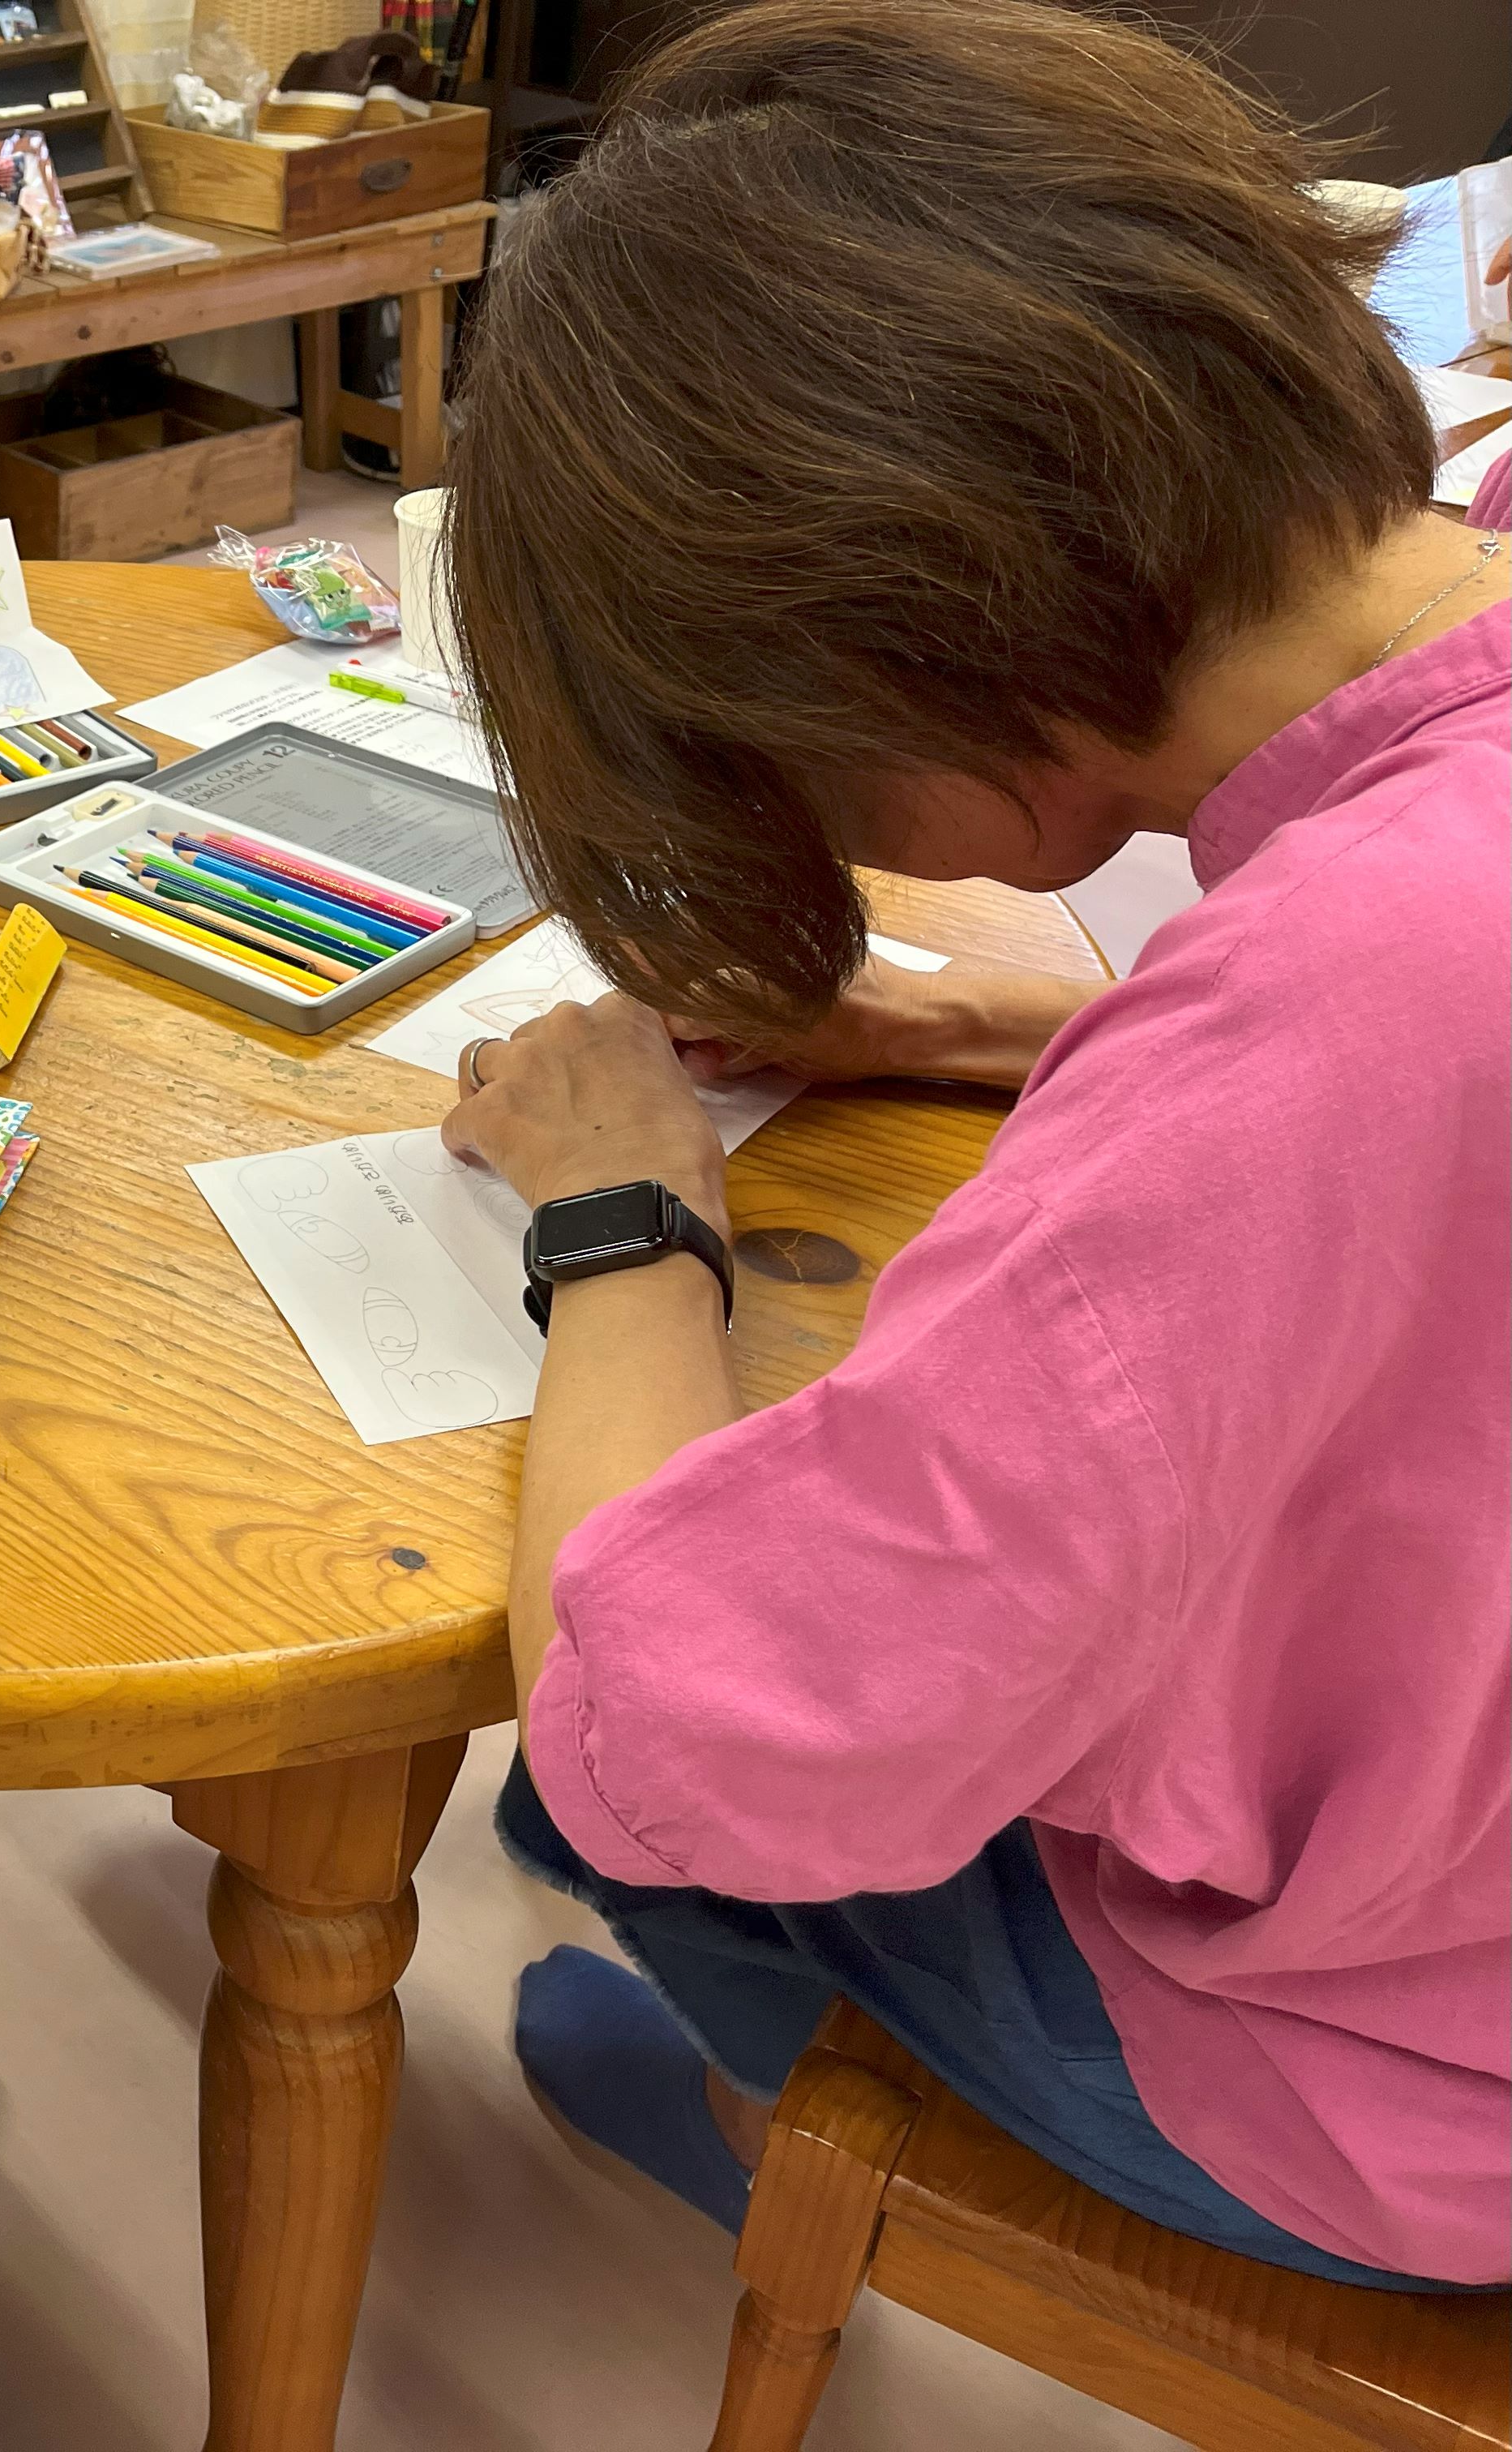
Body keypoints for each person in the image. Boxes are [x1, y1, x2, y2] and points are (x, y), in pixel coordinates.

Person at [430, 0, 1509, 2291]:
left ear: (887, 651)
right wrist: (1020, 1018)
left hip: (1424, 2081)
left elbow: (671, 1734)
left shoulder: (1293, 1037)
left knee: (581, 1785)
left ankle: (767, 2119)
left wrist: (622, 1215)